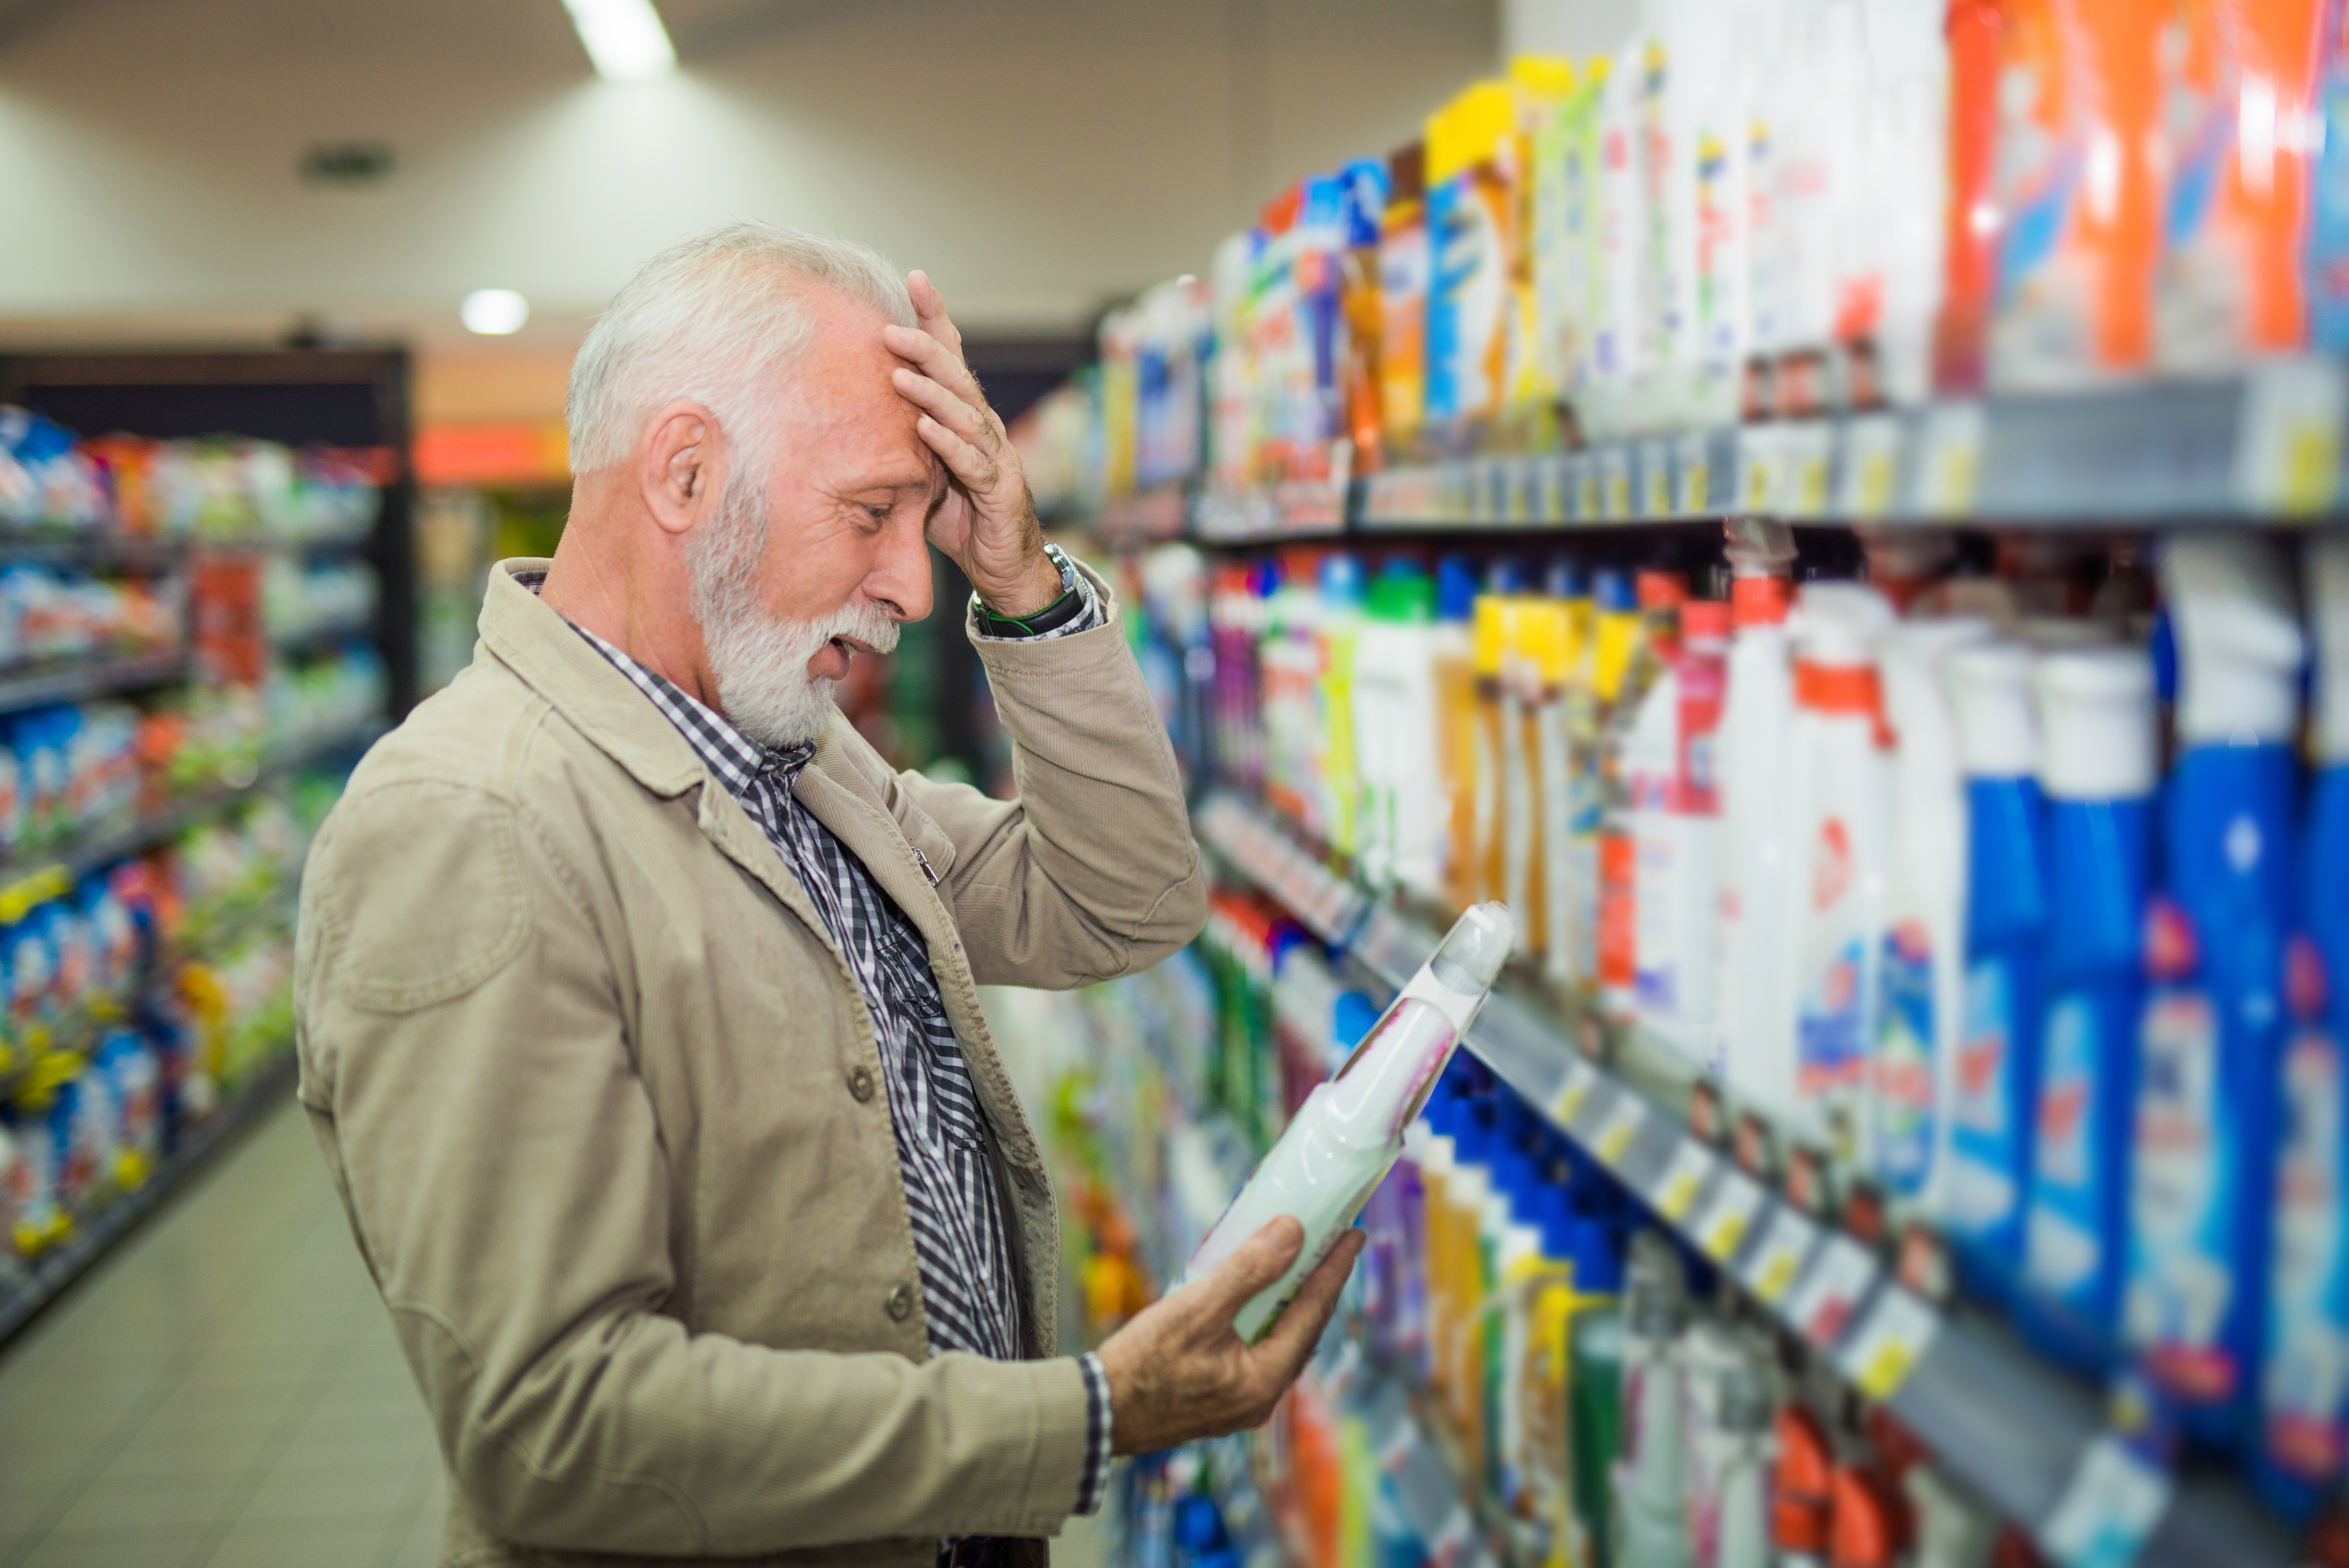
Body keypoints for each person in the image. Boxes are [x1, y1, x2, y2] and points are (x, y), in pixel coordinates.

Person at [292, 223, 1362, 1567]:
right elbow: (552, 1429)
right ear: (684, 472)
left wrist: (1021, 579)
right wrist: (1083, 1418)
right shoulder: (467, 826)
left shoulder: (789, 748)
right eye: (870, 514)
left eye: (924, 523)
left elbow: (1121, 902)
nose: (915, 583)